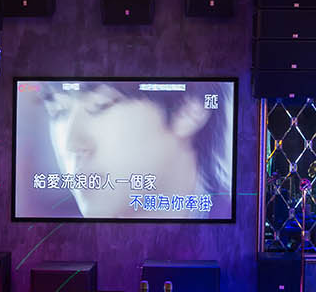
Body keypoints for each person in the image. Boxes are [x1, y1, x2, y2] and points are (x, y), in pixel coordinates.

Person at [38, 81, 232, 218]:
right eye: (58, 111)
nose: (71, 145)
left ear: (189, 109)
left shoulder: (236, 243)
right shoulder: (55, 245)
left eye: (100, 105)